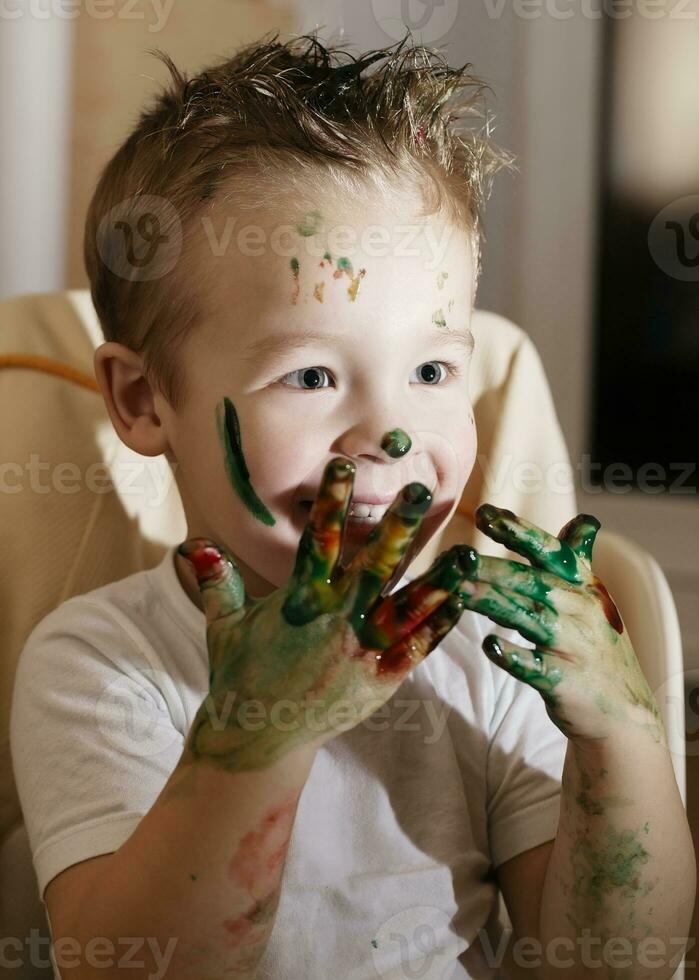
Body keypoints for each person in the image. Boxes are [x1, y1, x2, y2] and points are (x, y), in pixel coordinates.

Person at [10, 33, 694, 980]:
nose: (392, 432)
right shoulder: (101, 666)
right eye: (312, 373)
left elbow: (608, 965)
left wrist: (620, 736)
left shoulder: (486, 661)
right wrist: (256, 739)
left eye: (430, 369)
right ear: (141, 401)